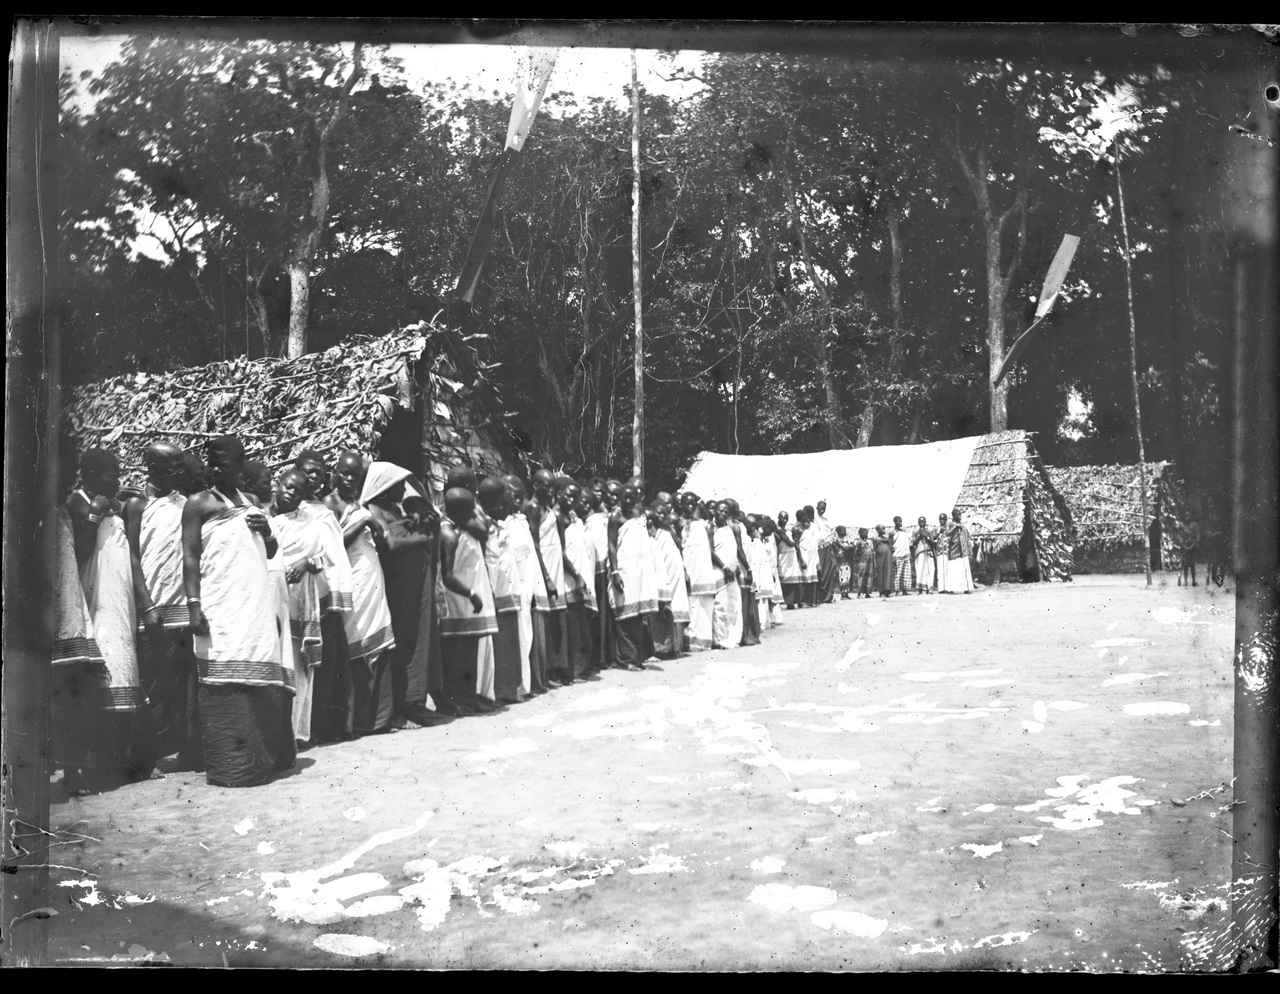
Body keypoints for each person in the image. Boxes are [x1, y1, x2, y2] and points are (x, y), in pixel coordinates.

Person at [182, 435, 295, 787]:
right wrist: (194, 606)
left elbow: (272, 550)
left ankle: (260, 762)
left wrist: (268, 530)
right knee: (223, 677)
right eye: (212, 461)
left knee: (259, 675)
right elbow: (190, 557)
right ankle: (230, 766)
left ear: (240, 464)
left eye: (225, 462)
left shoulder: (253, 502)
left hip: (256, 606)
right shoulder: (198, 504)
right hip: (221, 604)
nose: (217, 468)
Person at [70, 448, 154, 785]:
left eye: (117, 472)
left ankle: (124, 761)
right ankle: (96, 765)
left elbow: (129, 553)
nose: (116, 479)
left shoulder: (116, 504)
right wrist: (92, 516)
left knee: (126, 671)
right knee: (105, 672)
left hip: (119, 598)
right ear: (88, 474)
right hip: (95, 597)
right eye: (108, 473)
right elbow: (76, 553)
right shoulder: (76, 502)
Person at [125, 441, 201, 769]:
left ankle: (188, 750)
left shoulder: (187, 504)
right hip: (153, 612)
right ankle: (148, 757)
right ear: (154, 470)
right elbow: (132, 556)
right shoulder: (136, 505)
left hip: (184, 609)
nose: (180, 473)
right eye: (173, 468)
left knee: (186, 684)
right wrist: (146, 605)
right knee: (153, 682)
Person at [364, 463, 447, 719]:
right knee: (404, 637)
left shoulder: (397, 509)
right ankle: (405, 703)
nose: (403, 489)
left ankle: (416, 699)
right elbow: (389, 544)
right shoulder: (374, 509)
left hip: (415, 583)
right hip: (398, 587)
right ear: (384, 487)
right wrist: (422, 539)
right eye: (398, 485)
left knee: (421, 634)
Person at [320, 453, 394, 736]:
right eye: (346, 474)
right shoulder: (331, 503)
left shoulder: (358, 503)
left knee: (378, 644)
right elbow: (334, 543)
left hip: (371, 580)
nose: (351, 479)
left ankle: (377, 718)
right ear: (335, 474)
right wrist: (363, 523)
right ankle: (357, 720)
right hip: (352, 581)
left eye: (356, 476)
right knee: (357, 643)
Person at [270, 469, 326, 745]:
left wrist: (305, 564)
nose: (291, 493)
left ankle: (297, 731)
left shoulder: (309, 522)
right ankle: (276, 732)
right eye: (288, 487)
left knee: (300, 666)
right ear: (277, 484)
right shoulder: (262, 517)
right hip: (271, 599)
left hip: (299, 602)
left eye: (298, 492)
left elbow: (324, 555)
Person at [437, 487, 500, 710]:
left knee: (469, 650)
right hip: (456, 598)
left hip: (465, 597)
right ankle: (458, 698)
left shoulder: (459, 527)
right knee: (457, 653)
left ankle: (469, 695)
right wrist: (471, 594)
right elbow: (447, 576)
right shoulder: (449, 534)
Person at [479, 477, 525, 702]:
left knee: (509, 644)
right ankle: (500, 690)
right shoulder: (487, 528)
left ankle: (511, 689)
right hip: (495, 595)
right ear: (498, 506)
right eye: (506, 504)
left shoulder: (500, 525)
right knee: (500, 645)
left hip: (507, 592)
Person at [608, 482, 659, 669]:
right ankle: (625, 659)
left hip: (638, 571)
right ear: (620, 498)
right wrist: (615, 572)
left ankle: (636, 657)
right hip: (624, 571)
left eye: (632, 498)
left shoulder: (638, 516)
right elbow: (612, 546)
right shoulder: (616, 516)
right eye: (625, 497)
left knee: (637, 616)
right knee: (624, 615)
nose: (628, 501)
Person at [526, 469, 568, 690]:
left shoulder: (548, 508)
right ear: (535, 486)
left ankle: (553, 669)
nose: (551, 490)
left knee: (555, 623)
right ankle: (545, 672)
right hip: (544, 571)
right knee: (546, 624)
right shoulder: (533, 508)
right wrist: (547, 578)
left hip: (555, 568)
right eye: (547, 486)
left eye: (553, 486)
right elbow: (535, 544)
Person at [504, 474, 545, 693]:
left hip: (527, 590)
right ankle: (518, 685)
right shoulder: (503, 525)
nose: (518, 499)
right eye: (513, 494)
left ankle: (527, 684)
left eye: (521, 495)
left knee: (526, 634)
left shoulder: (521, 522)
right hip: (511, 590)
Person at [559, 482, 596, 681]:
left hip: (576, 580)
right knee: (573, 629)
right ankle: (574, 671)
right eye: (569, 496)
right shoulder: (560, 519)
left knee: (580, 627)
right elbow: (562, 552)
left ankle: (581, 669)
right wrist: (576, 575)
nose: (572, 501)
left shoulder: (572, 519)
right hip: (569, 579)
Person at [650, 498, 689, 659]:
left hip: (675, 578)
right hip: (663, 578)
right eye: (659, 513)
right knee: (662, 611)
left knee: (675, 608)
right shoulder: (655, 536)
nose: (662, 516)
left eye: (665, 513)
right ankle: (661, 648)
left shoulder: (667, 534)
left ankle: (674, 648)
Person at [680, 493, 717, 651]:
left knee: (705, 605)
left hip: (704, 569)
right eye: (686, 503)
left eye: (692, 503)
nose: (689, 506)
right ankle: (692, 642)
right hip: (690, 568)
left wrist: (701, 504)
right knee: (692, 604)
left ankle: (704, 641)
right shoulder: (681, 522)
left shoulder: (704, 524)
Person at [710, 500, 745, 648]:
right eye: (720, 511)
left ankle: (733, 638)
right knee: (720, 606)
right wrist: (724, 567)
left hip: (732, 574)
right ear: (714, 511)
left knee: (734, 606)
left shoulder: (731, 527)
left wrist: (739, 567)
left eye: (726, 512)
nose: (722, 514)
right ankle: (720, 639)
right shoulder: (711, 528)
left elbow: (737, 550)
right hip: (719, 571)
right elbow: (710, 551)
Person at [942, 508, 975, 594]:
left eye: (960, 515)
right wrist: (955, 527)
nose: (960, 516)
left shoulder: (962, 525)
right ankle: (951, 588)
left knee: (963, 569)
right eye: (958, 515)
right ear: (953, 516)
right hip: (953, 549)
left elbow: (966, 536)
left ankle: (966, 588)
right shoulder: (949, 523)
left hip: (962, 550)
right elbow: (947, 533)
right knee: (953, 569)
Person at [775, 510, 803, 609]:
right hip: (783, 556)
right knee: (785, 579)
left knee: (793, 580)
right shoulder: (778, 530)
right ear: (778, 518)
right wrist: (796, 541)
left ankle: (791, 602)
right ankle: (786, 601)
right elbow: (789, 542)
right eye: (783, 518)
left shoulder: (787, 529)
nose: (785, 520)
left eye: (786, 518)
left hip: (791, 556)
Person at [814, 500, 840, 604]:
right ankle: (820, 596)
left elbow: (828, 532)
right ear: (816, 507)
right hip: (819, 547)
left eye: (824, 508)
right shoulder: (814, 519)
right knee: (821, 572)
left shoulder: (825, 520)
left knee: (829, 571)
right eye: (820, 507)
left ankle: (827, 597)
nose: (822, 509)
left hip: (827, 547)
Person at [798, 508, 821, 607]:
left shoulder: (812, 527)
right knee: (804, 580)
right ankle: (802, 601)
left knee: (812, 579)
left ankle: (813, 600)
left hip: (812, 555)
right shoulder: (797, 529)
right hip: (804, 555)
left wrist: (817, 559)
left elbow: (814, 543)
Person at [911, 516, 937, 594]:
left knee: (930, 569)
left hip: (928, 552)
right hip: (920, 553)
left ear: (925, 523)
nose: (922, 523)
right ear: (918, 523)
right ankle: (920, 589)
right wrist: (919, 537)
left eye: (923, 522)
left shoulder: (929, 532)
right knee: (920, 570)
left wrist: (927, 538)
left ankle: (930, 588)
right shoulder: (915, 532)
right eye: (920, 522)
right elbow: (913, 543)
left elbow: (933, 543)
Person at [891, 516, 913, 595]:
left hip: (906, 554)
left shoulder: (905, 532)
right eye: (897, 521)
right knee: (898, 573)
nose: (899, 523)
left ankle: (904, 590)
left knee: (906, 573)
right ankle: (897, 590)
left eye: (900, 521)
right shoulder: (893, 532)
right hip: (898, 555)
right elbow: (890, 543)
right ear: (894, 522)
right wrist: (892, 555)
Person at [872, 524, 895, 599]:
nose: (884, 530)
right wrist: (874, 561)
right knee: (881, 574)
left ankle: (887, 590)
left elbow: (890, 542)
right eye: (883, 529)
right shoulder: (875, 539)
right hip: (880, 558)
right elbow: (874, 551)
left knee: (888, 573)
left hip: (888, 558)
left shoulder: (884, 539)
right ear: (878, 530)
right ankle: (881, 591)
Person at [851, 527, 874, 598]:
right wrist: (856, 562)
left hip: (869, 563)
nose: (866, 534)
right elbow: (855, 553)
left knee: (869, 577)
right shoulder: (858, 542)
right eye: (865, 532)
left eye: (867, 532)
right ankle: (859, 593)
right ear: (860, 533)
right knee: (861, 577)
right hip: (862, 562)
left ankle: (867, 593)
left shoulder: (868, 542)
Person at [1178, 519, 1200, 587]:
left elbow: (1196, 540)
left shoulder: (1195, 530)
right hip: (1186, 549)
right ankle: (1186, 581)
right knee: (1185, 565)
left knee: (1191, 565)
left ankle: (1192, 581)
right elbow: (1180, 539)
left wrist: (1189, 547)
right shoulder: (1182, 531)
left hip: (1191, 549)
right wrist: (1185, 546)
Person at [834, 526, 854, 598]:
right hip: (842, 558)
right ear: (839, 532)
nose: (845, 532)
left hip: (846, 558)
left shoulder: (844, 540)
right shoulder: (838, 540)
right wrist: (851, 546)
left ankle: (846, 593)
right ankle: (843, 593)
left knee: (847, 574)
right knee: (843, 574)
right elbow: (845, 547)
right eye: (843, 530)